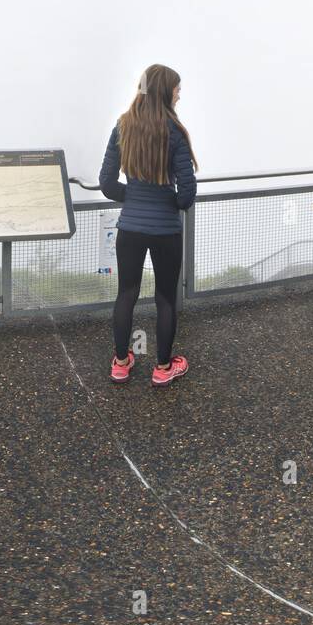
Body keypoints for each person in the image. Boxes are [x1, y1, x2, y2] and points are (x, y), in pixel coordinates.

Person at [97, 63, 199, 386]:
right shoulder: (174, 131)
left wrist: (136, 198)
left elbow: (106, 183)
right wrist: (161, 201)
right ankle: (163, 368)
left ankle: (122, 363)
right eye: (177, 88)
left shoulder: (123, 125)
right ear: (163, 90)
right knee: (165, 299)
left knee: (126, 294)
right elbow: (186, 195)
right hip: (166, 230)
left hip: (130, 229)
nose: (179, 94)